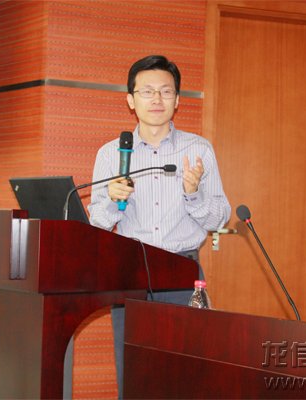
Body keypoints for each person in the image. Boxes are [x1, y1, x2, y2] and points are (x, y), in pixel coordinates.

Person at [88, 54, 231, 397]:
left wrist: (193, 194)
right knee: (133, 378)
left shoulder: (198, 150)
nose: (156, 99)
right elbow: (96, 224)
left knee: (185, 378)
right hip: (130, 273)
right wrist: (112, 200)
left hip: (181, 272)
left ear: (177, 100)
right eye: (147, 91)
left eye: (165, 92)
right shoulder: (110, 154)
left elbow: (220, 218)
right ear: (131, 100)